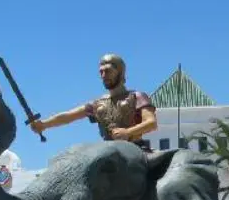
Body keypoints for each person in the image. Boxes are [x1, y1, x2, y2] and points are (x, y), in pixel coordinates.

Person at [30, 54, 158, 151]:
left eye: (107, 71)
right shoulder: (97, 104)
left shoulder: (137, 96)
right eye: (101, 72)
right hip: (110, 151)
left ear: (120, 71)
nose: (103, 75)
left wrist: (128, 132)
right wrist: (44, 124)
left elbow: (151, 123)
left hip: (136, 149)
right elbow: (69, 116)